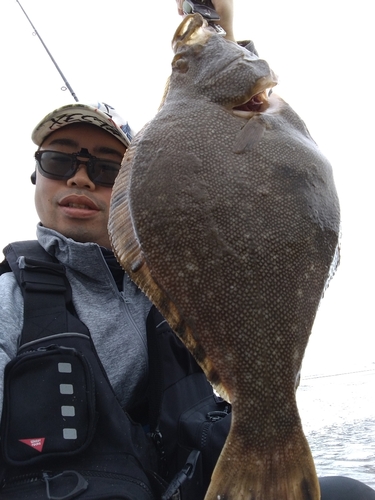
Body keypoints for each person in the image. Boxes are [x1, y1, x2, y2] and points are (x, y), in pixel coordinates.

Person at [0, 2, 374, 499]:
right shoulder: (11, 302)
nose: (81, 176)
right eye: (58, 159)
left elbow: (223, 107)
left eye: (108, 168)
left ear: (130, 185)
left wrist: (216, 27)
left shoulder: (160, 278)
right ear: (35, 175)